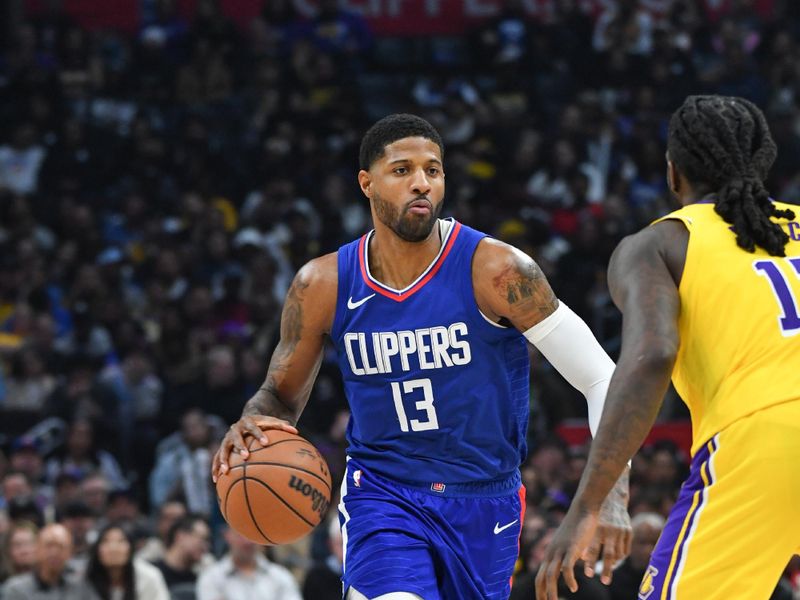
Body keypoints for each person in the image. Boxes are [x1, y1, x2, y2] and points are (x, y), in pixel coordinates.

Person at [212, 113, 631, 599]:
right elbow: (278, 399)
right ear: (366, 184)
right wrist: (250, 421)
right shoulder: (322, 284)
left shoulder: (497, 270)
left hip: (485, 498)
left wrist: (611, 497)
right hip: (383, 493)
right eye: (402, 170)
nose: (421, 183)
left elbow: (602, 376)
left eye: (433, 170)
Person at [536, 95, 800, 600]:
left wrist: (589, 503)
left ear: (673, 172)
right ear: (763, 158)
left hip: (763, 439)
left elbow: (652, 354)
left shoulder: (660, 244)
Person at [196, 525, 302, 600]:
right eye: (240, 535)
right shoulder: (211, 577)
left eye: (253, 536)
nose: (247, 542)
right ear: (228, 536)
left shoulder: (280, 576)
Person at [2, 523, 91, 600]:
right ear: (37, 549)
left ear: (70, 553)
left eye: (61, 547)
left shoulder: (80, 587)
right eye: (49, 545)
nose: (54, 553)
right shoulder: (16, 589)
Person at [85, 523, 170, 600]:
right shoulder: (86, 577)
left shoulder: (149, 576)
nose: (113, 548)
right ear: (97, 550)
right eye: (106, 541)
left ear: (131, 548)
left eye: (121, 541)